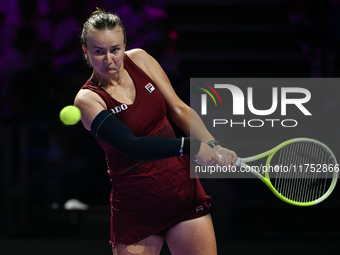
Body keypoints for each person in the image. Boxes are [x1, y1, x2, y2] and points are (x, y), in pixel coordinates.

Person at [74, 8, 237, 255]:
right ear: (86, 52)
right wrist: (191, 145)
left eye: (115, 49)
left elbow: (180, 109)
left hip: (181, 193)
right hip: (137, 207)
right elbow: (132, 146)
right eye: (99, 52)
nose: (109, 59)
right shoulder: (87, 100)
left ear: (125, 45)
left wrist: (214, 145)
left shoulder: (140, 59)